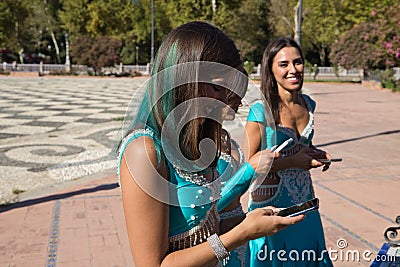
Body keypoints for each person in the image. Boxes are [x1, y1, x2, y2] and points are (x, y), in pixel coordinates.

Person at [117, 22, 304, 267]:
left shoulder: (199, 138)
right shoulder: (144, 151)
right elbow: (153, 264)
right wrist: (241, 234)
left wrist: (255, 223)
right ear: (183, 78)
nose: (224, 100)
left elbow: (208, 224)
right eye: (217, 87)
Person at [243, 37, 334, 266]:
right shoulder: (260, 111)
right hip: (272, 211)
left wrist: (315, 153)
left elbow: (302, 146)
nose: (293, 70)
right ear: (270, 70)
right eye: (284, 64)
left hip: (306, 205)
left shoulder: (309, 104)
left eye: (298, 62)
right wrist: (293, 161)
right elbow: (248, 165)